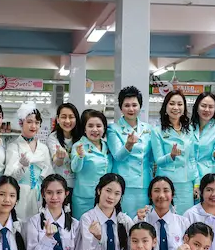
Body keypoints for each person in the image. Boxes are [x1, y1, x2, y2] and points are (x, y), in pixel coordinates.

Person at [108, 86, 154, 216]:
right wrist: (128, 145)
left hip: (144, 183)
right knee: (123, 220)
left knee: (142, 220)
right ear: (121, 107)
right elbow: (118, 156)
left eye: (134, 105)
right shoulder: (113, 129)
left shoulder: (148, 129)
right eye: (127, 105)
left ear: (140, 106)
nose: (131, 109)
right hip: (123, 184)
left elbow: (152, 158)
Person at [151, 90, 199, 214]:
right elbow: (158, 161)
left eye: (180, 104)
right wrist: (171, 156)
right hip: (166, 184)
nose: (176, 107)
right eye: (172, 104)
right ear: (165, 107)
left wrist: (196, 183)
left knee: (186, 218)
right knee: (166, 217)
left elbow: (192, 159)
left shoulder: (189, 130)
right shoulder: (157, 131)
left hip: (186, 183)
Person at [5, 102, 52, 219]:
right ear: (21, 123)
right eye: (29, 122)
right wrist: (21, 166)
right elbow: (10, 177)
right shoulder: (13, 146)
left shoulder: (43, 148)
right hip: (21, 193)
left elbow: (49, 172)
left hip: (39, 193)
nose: (33, 126)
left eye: (37, 123)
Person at [71, 109, 113, 218]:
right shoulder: (78, 146)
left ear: (104, 128)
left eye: (99, 126)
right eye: (90, 126)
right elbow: (75, 168)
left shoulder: (107, 145)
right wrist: (80, 156)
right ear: (84, 129)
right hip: (84, 198)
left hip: (104, 198)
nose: (95, 129)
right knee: (83, 227)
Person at [191, 92, 215, 182]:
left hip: (209, 175)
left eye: (211, 107)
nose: (207, 110)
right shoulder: (188, 127)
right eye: (203, 106)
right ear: (197, 107)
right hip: (189, 173)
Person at [47, 103, 81, 190]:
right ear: (58, 119)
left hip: (79, 186)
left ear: (76, 119)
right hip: (60, 186)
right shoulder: (53, 137)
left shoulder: (81, 138)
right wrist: (59, 158)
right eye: (63, 117)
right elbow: (57, 162)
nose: (67, 121)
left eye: (71, 117)